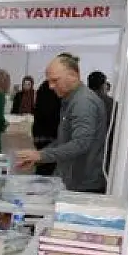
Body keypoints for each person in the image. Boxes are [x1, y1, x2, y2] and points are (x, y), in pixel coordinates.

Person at [15, 54, 109, 193]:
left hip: (82, 185)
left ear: (73, 76)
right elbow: (64, 140)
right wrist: (39, 155)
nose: (51, 86)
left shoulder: (83, 102)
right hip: (71, 179)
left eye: (55, 81)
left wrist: (41, 155)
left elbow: (80, 143)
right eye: (49, 81)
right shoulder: (71, 99)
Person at [31, 80, 62, 176]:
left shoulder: (43, 87)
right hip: (53, 137)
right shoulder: (58, 103)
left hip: (40, 135)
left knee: (42, 168)